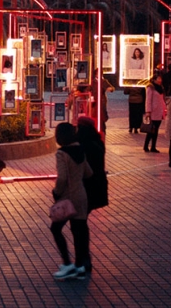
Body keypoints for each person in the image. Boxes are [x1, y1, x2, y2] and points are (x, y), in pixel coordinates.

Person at [49, 122, 93, 280]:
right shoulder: (80, 150)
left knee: (55, 228)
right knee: (79, 231)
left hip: (67, 197)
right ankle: (80, 266)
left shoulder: (62, 154)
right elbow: (88, 173)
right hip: (81, 196)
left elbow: (62, 178)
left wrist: (56, 192)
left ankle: (67, 264)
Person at [78, 116, 106, 274]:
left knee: (79, 224)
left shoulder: (82, 145)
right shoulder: (98, 143)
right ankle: (83, 258)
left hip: (84, 188)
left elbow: (84, 170)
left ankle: (82, 258)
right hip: (97, 187)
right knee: (81, 222)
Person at [144, 74, 166, 153]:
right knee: (151, 129)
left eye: (160, 78)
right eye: (158, 79)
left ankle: (153, 146)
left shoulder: (160, 88)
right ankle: (146, 146)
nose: (160, 80)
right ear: (154, 80)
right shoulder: (150, 88)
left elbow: (162, 100)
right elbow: (148, 100)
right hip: (153, 111)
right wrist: (148, 111)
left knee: (156, 130)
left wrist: (165, 109)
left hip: (159, 111)